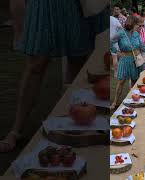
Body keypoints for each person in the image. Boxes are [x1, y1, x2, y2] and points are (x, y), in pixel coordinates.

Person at [0, 0, 108, 152]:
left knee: (77, 60)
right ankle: (16, 129)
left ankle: (74, 121)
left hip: (75, 5)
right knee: (36, 64)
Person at [110, 16, 145, 109]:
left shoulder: (136, 34)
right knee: (121, 82)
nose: (141, 27)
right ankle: (115, 102)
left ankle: (133, 99)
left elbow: (142, 46)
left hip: (136, 60)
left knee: (135, 80)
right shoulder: (121, 33)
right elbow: (111, 42)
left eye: (141, 25)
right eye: (139, 25)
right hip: (125, 61)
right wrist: (117, 52)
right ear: (132, 24)